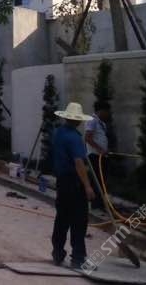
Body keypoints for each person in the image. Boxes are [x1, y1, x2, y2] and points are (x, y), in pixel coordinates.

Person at [51, 102, 95, 268]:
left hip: (62, 181)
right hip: (74, 182)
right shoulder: (74, 138)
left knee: (62, 217)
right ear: (78, 120)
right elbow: (78, 163)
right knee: (78, 220)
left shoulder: (59, 132)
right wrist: (87, 186)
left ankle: (57, 253)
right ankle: (78, 258)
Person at [85, 100, 111, 212]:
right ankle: (95, 205)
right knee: (97, 180)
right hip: (95, 156)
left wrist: (105, 150)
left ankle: (100, 203)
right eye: (107, 111)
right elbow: (88, 138)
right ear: (101, 110)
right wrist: (100, 149)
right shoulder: (92, 121)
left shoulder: (101, 123)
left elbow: (99, 138)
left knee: (102, 180)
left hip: (101, 156)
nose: (108, 114)